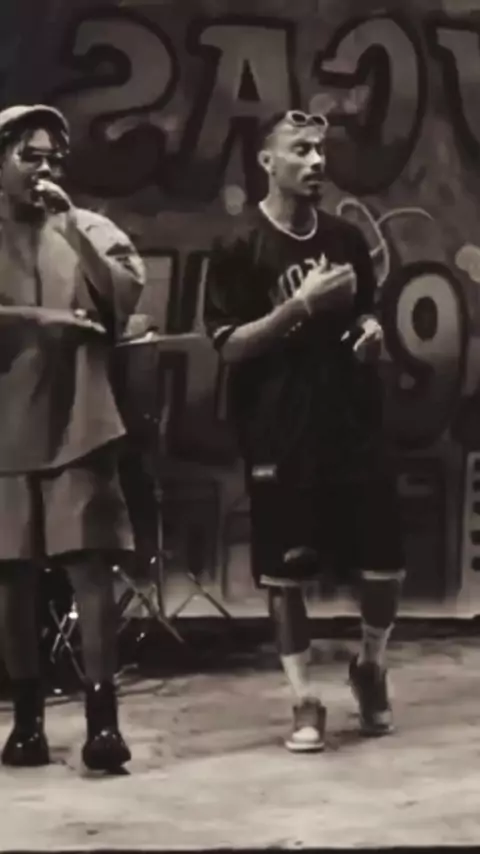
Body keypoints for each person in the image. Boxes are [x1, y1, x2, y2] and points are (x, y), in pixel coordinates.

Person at [204, 110, 406, 752]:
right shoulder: (239, 245)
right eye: (301, 150)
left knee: (384, 567)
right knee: (286, 574)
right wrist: (298, 306)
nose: (317, 161)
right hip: (280, 432)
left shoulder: (345, 239)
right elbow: (230, 345)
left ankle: (370, 666)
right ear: (267, 162)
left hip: (353, 424)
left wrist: (369, 333)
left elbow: (366, 314)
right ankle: (303, 700)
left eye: (320, 150)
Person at [0, 104, 145, 772]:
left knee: (91, 568)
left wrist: (74, 231)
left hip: (79, 420)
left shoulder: (91, 228)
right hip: (7, 427)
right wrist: (47, 319)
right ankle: (27, 722)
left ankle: (103, 722)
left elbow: (120, 301)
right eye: (29, 155)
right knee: (12, 579)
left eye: (53, 158)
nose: (44, 169)